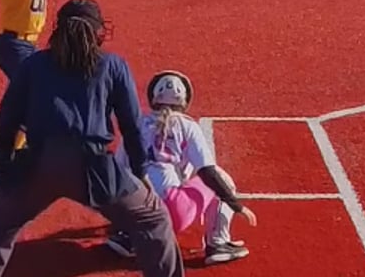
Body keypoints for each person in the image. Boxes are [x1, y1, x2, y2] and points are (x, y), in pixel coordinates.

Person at [0, 0, 199, 277]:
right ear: (99, 32)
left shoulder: (33, 65)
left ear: (57, 29)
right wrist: (140, 173)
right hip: (93, 166)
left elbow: (7, 119)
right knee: (153, 220)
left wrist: (5, 168)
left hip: (37, 162)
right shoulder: (112, 65)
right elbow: (130, 126)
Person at [106, 70, 256, 265]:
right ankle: (218, 243)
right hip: (172, 213)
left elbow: (117, 171)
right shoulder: (188, 126)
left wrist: (119, 218)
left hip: (139, 212)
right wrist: (237, 205)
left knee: (131, 184)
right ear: (184, 100)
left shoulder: (138, 124)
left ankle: (128, 236)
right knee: (221, 176)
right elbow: (207, 172)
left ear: (154, 98)